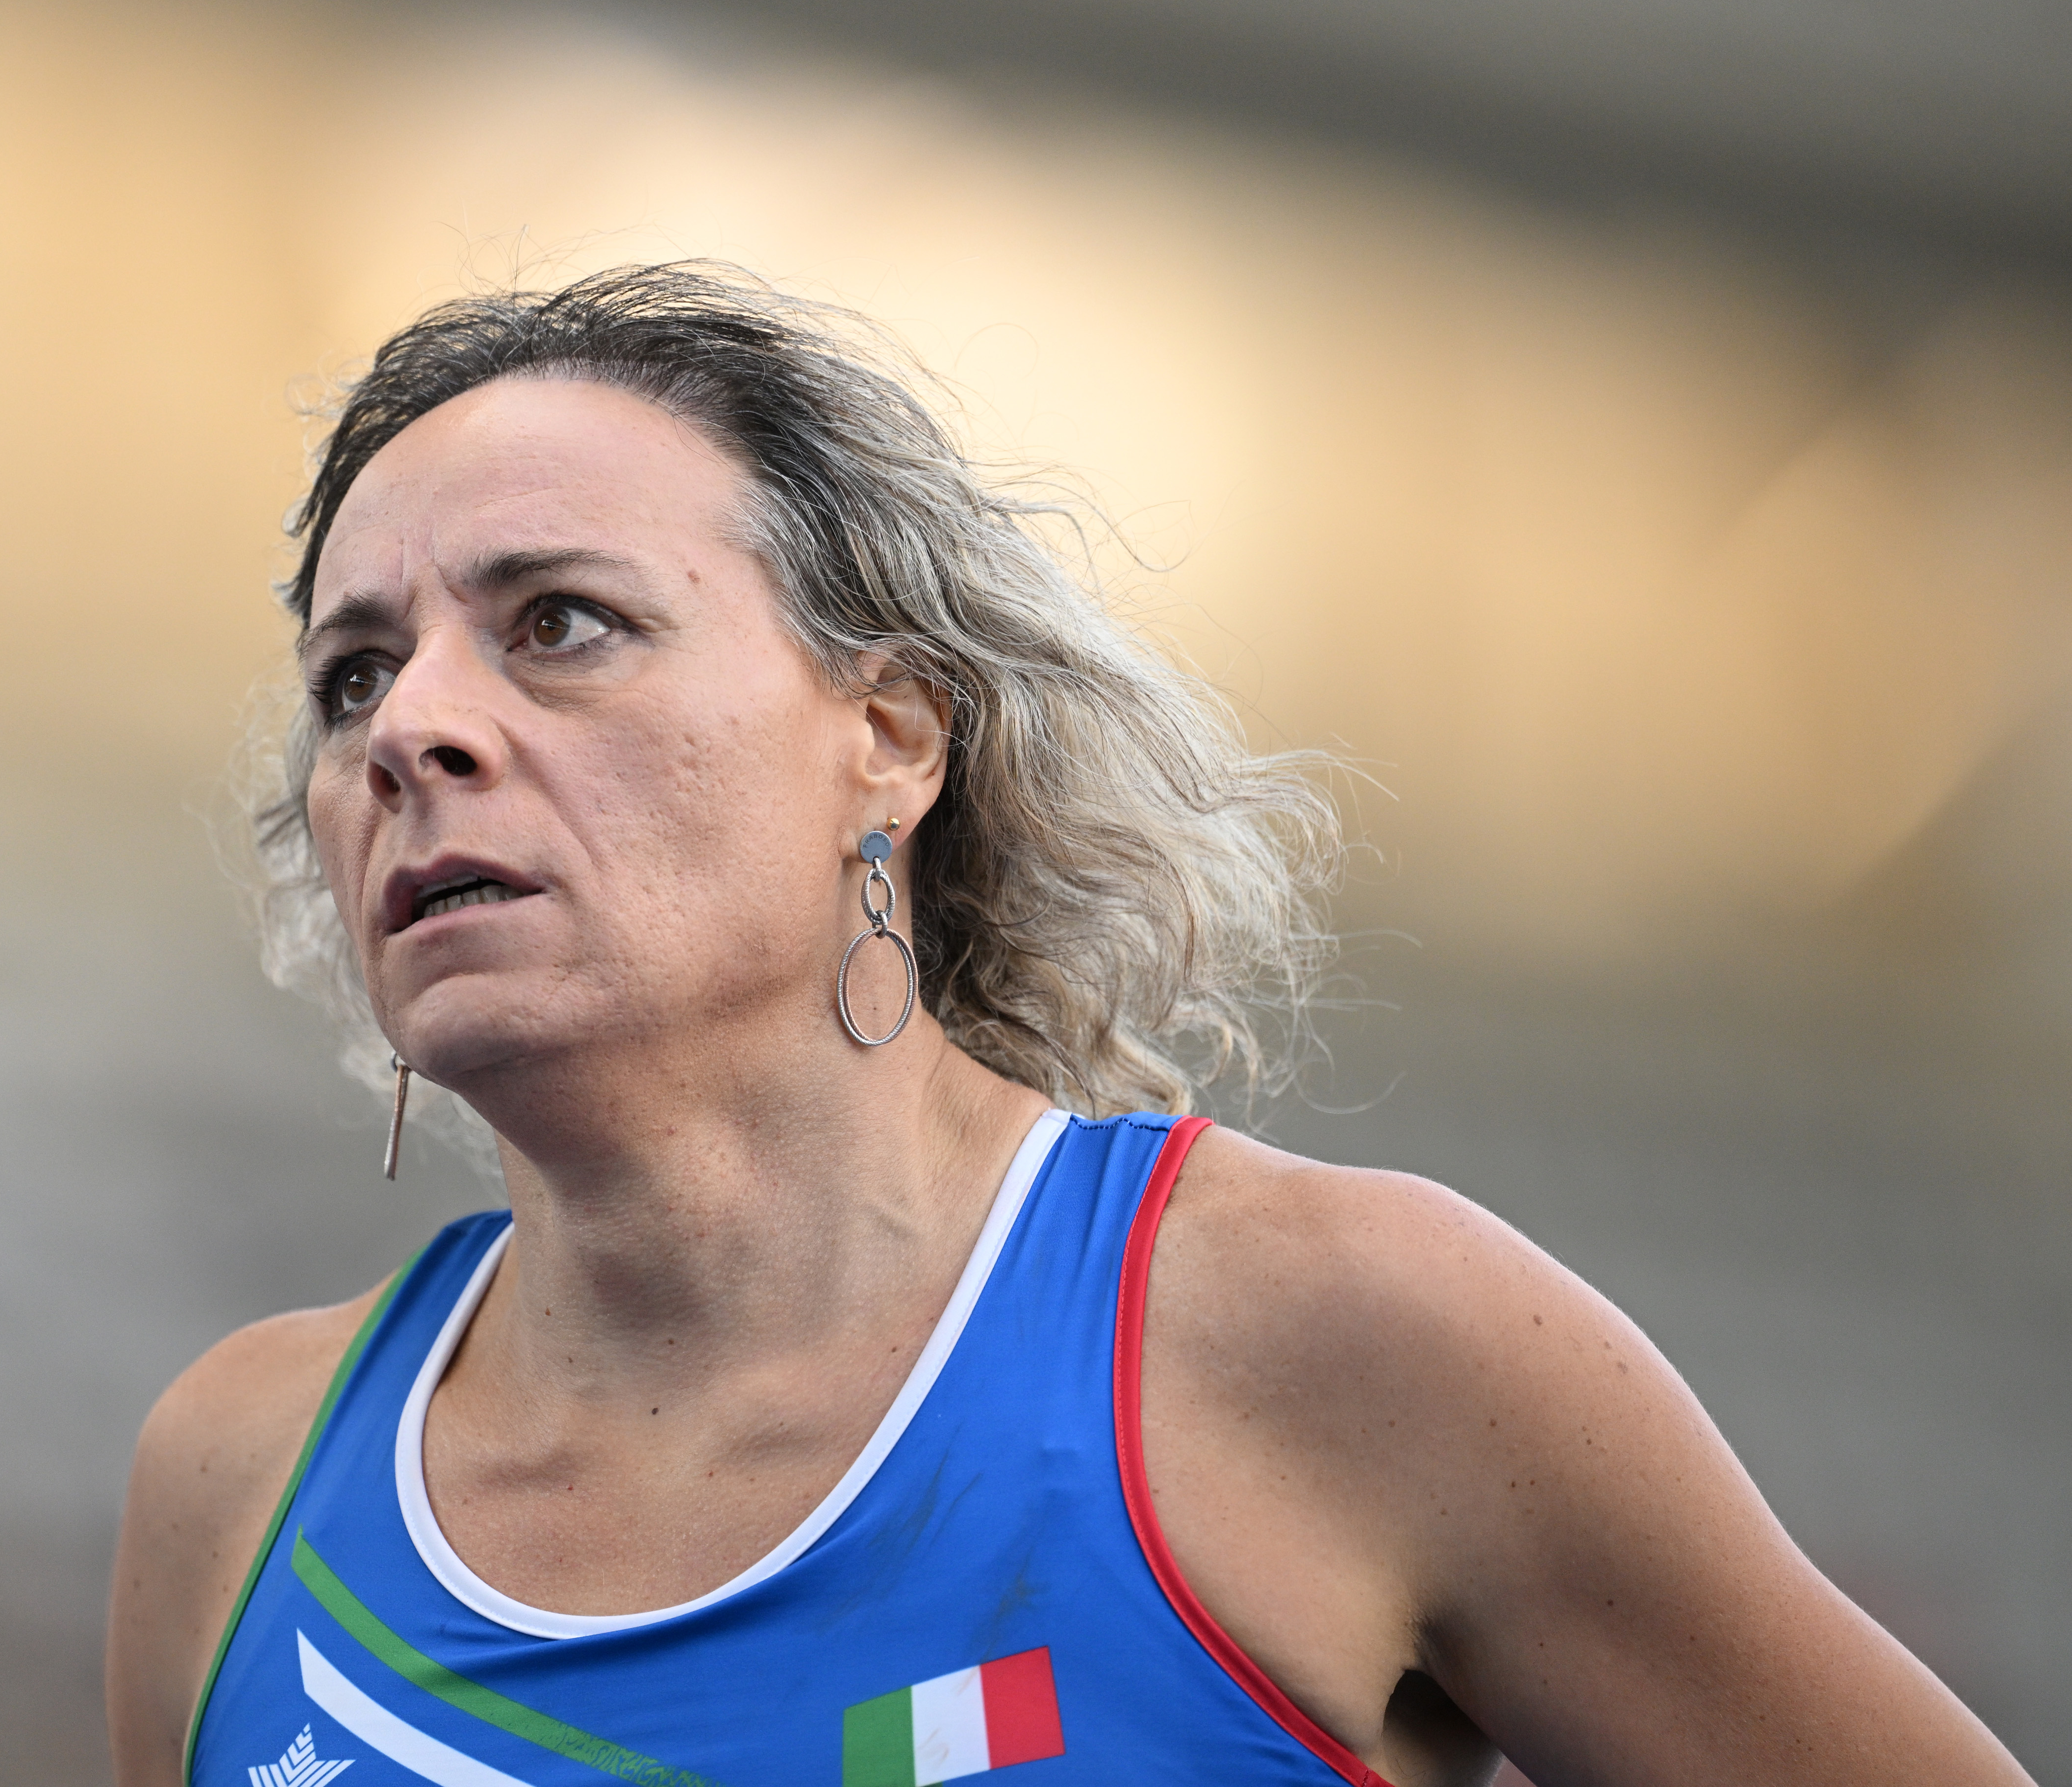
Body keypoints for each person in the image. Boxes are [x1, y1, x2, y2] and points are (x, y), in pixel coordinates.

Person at [106, 265, 2027, 1787]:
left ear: (889, 737)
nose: (413, 730)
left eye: (560, 624)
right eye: (354, 673)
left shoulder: (1338, 1341)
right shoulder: (241, 1481)